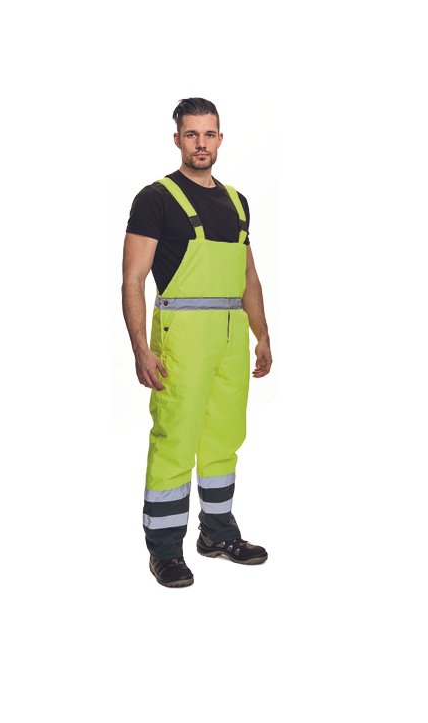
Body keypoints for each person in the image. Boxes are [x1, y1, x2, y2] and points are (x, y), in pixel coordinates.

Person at [121, 98, 273, 588]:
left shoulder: (237, 201)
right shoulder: (156, 198)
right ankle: (165, 551)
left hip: (230, 339)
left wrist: (262, 334)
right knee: (176, 440)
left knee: (224, 439)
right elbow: (132, 279)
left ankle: (218, 534)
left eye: (209, 134)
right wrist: (141, 349)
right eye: (192, 134)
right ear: (178, 139)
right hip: (181, 339)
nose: (201, 143)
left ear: (220, 139)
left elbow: (248, 275)